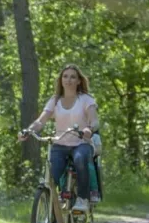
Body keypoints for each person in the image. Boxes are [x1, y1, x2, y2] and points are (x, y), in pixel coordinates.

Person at [21, 64, 101, 213]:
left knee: (80, 159)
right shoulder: (55, 100)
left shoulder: (86, 99)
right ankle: (56, 204)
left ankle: (82, 199)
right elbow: (41, 121)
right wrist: (29, 130)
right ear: (61, 80)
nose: (68, 80)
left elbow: (95, 121)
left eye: (72, 77)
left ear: (78, 81)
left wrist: (88, 129)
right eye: (65, 76)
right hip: (60, 143)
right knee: (52, 174)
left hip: (81, 143)